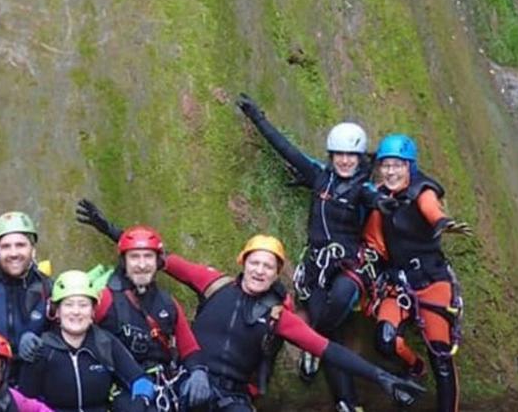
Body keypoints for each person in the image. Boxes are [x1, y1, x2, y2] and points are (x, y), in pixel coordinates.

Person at [161, 234, 425, 411]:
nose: (259, 271)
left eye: (268, 266)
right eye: (255, 263)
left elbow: (326, 349)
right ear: (243, 262)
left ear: (277, 273)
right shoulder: (214, 284)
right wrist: (119, 235)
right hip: (191, 379)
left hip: (231, 399)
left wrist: (381, 376)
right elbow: (157, 257)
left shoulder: (278, 316)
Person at [235, 94, 380, 412]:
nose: (344, 161)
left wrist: (391, 204)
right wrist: (257, 118)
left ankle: (312, 341)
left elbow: (380, 202)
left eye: (351, 156)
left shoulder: (365, 189)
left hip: (349, 265)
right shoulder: (319, 176)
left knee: (338, 302)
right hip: (316, 267)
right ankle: (347, 403)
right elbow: (287, 149)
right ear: (331, 156)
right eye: (339, 155)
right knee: (333, 336)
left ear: (360, 158)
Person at [363, 134, 472, 412]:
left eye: (397, 165)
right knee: (385, 340)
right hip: (397, 283)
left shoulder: (422, 190)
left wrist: (442, 222)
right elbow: (373, 237)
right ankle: (415, 367)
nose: (390, 171)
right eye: (385, 165)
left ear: (409, 166)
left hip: (430, 281)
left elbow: (430, 208)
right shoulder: (380, 196)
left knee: (441, 356)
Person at [72, 204, 211, 412]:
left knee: (204, 400)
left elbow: (189, 348)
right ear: (124, 262)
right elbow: (72, 327)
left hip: (163, 381)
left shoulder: (168, 303)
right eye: (134, 257)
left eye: (148, 257)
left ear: (158, 262)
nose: (142, 264)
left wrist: (199, 372)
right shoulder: (106, 299)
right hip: (122, 385)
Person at [17, 271, 155, 412]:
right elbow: (24, 401)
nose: (76, 312)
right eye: (69, 305)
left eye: (83, 305)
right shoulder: (42, 348)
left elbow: (140, 379)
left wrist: (140, 400)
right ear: (57, 311)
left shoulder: (105, 343)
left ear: (93, 311)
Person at [0, 211, 52, 380]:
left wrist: (41, 341)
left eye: (20, 245)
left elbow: (64, 333)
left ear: (33, 249)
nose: (13, 253)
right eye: (6, 246)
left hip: (31, 378)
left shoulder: (46, 287)